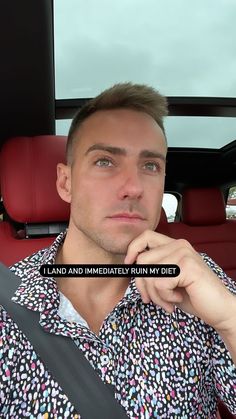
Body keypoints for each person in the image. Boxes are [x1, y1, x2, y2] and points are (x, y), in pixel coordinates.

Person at [0, 82, 235, 418]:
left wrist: (229, 319)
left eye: (150, 166)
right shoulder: (8, 307)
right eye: (105, 161)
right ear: (66, 183)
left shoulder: (200, 282)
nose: (134, 187)